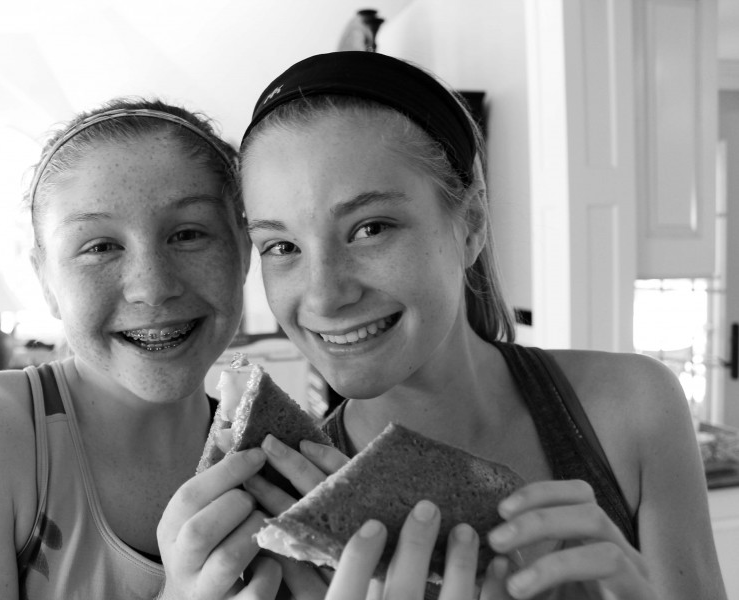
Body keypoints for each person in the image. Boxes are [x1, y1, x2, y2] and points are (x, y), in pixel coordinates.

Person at [237, 51, 728, 600]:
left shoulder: (634, 406)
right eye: (281, 246)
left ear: (469, 225)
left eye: (370, 228)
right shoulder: (278, 517)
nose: (325, 295)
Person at [0, 98, 283, 600]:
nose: (152, 287)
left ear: (243, 254)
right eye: (99, 246)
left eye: (188, 234)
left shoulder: (276, 455)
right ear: (46, 279)